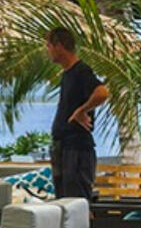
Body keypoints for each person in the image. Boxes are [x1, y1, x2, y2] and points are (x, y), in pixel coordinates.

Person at [46, 26, 109, 201]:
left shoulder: (81, 71)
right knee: (63, 202)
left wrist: (82, 110)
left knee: (76, 203)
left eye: (48, 46)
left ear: (59, 46)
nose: (48, 51)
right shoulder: (67, 74)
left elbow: (102, 92)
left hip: (76, 149)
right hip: (63, 148)